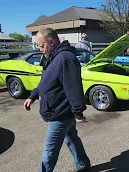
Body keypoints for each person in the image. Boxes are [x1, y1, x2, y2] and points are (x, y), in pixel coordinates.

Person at [23, 28, 91, 172]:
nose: (40, 49)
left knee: (49, 151)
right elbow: (46, 82)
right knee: (72, 139)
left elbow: (73, 87)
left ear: (51, 42)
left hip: (60, 113)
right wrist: (33, 95)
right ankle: (83, 165)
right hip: (59, 110)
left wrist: (78, 112)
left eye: (41, 46)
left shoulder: (65, 58)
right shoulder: (53, 56)